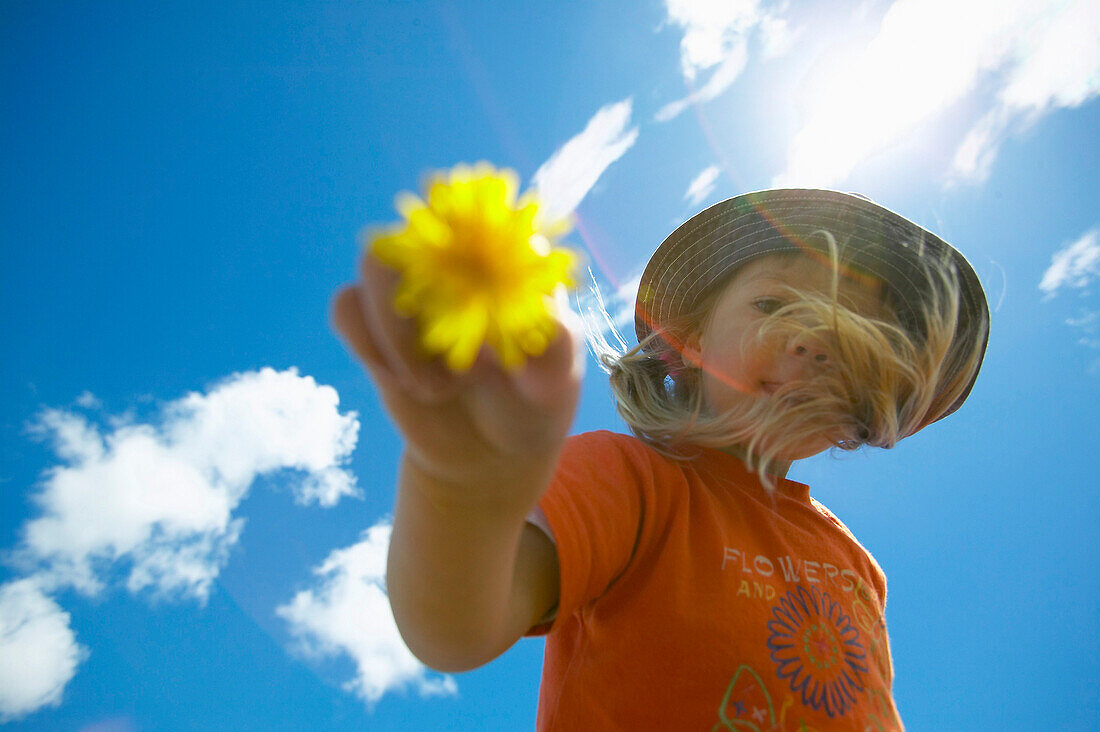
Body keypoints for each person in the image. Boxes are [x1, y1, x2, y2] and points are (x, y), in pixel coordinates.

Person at [331, 188, 990, 730]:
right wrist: (460, 480)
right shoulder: (632, 483)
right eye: (774, 303)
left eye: (851, 333)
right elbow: (457, 628)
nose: (812, 342)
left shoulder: (858, 568)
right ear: (691, 339)